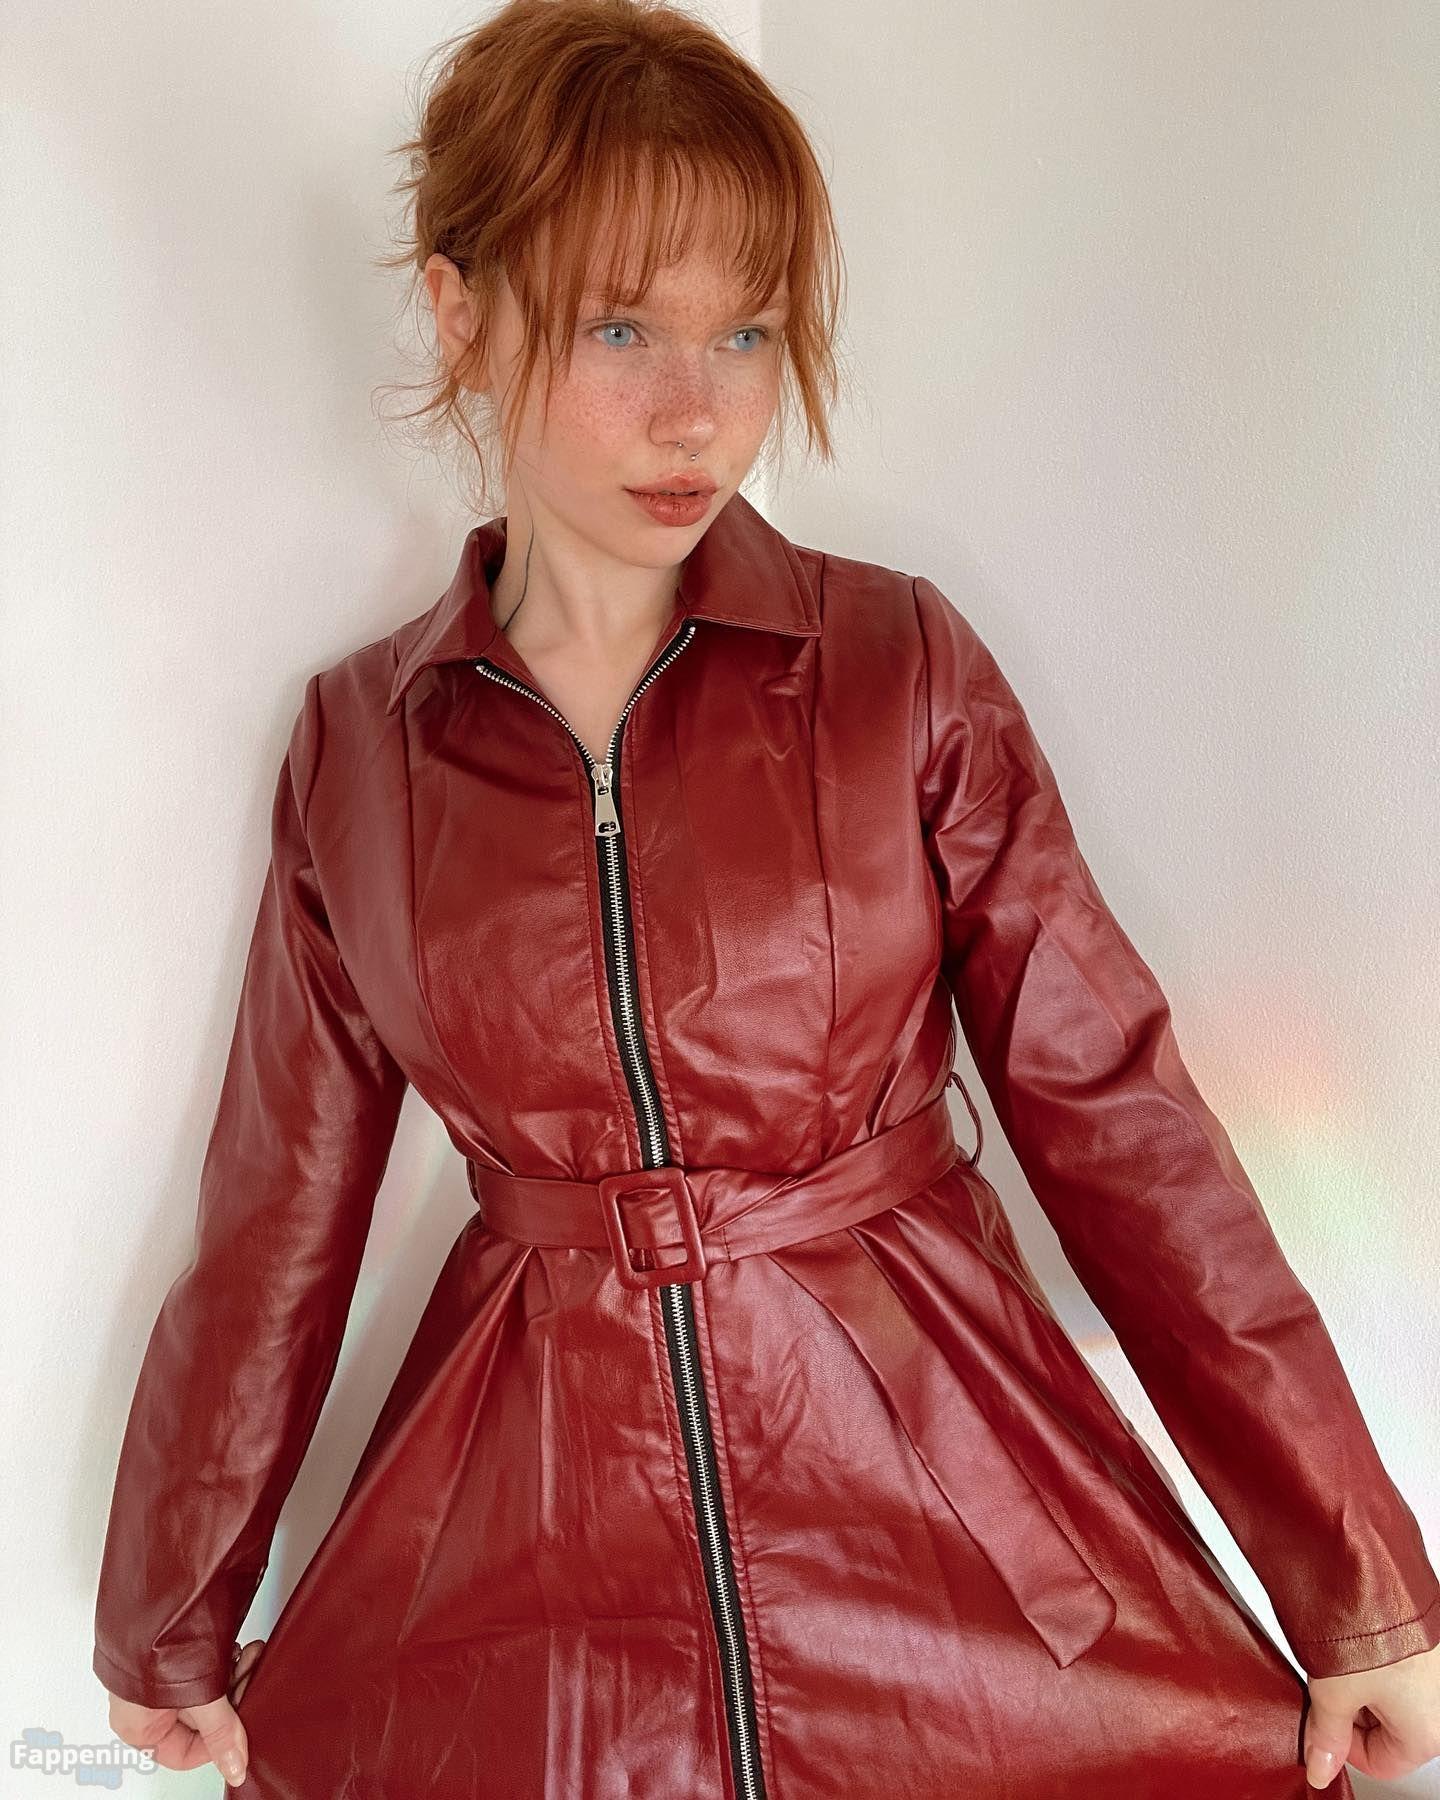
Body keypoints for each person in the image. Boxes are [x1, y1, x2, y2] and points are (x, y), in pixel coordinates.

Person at [93, 1, 1440, 1794]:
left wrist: (1361, 1586)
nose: (700, 408)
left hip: (947, 1511)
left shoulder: (894, 669)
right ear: (458, 310)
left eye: (744, 329)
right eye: (621, 327)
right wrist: (169, 1616)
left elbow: (1120, 1122)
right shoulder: (362, 748)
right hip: (535, 1555)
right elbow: (277, 1211)